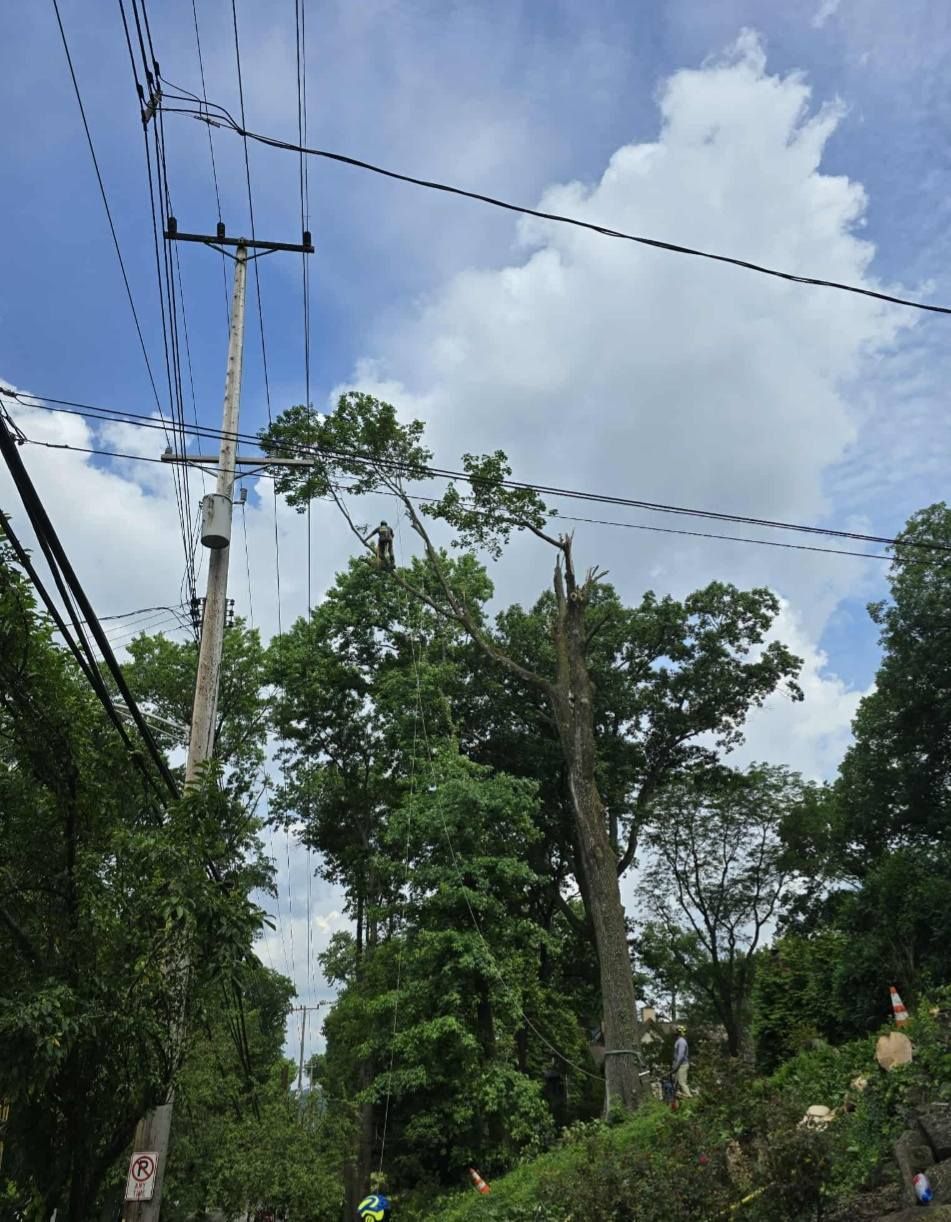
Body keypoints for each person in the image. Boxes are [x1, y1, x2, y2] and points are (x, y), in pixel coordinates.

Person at [672, 1025, 692, 1098]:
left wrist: (676, 1066)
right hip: (680, 1065)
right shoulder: (679, 1041)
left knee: (681, 1082)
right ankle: (679, 1097)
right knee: (676, 1083)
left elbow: (681, 1055)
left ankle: (689, 1097)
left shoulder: (681, 1042)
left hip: (682, 1065)